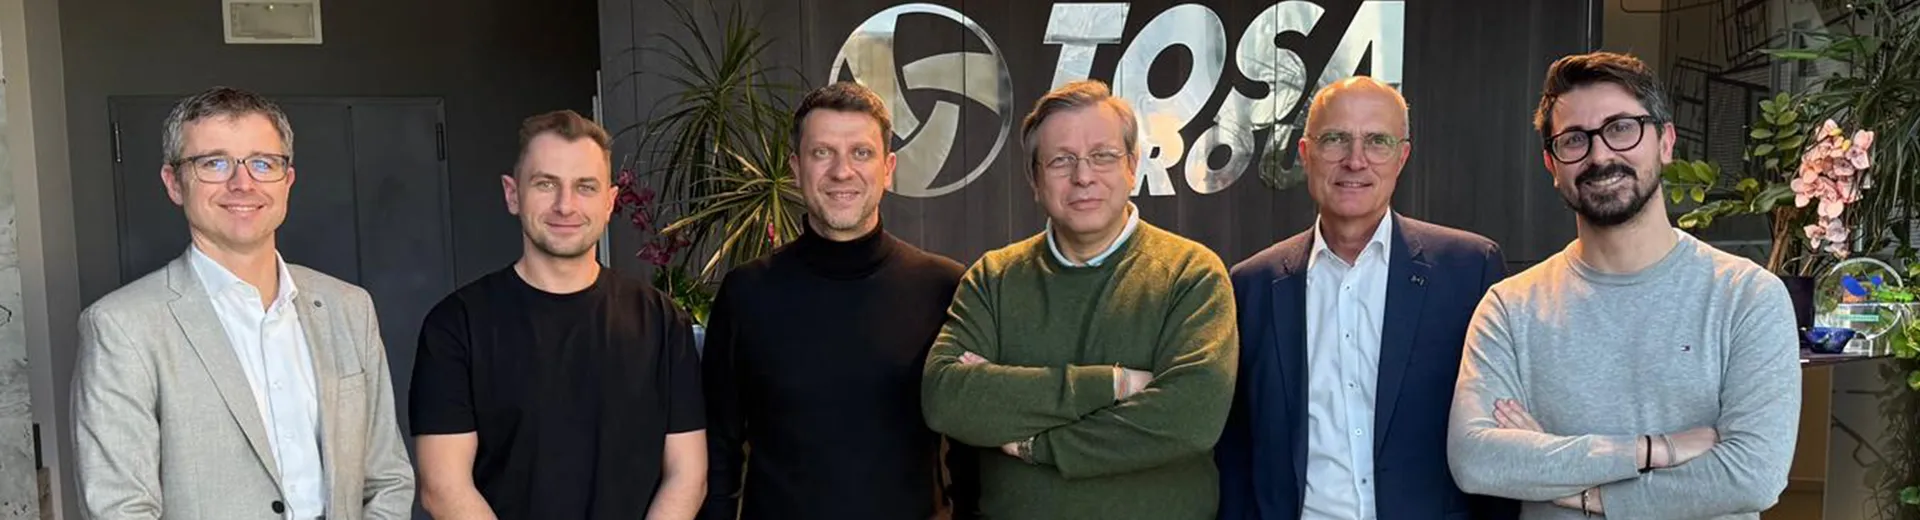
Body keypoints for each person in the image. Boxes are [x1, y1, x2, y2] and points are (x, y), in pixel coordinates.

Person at [1446, 51, 1800, 518]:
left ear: (1666, 142)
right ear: (1551, 165)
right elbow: (1477, 460)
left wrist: (1583, 492)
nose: (1600, 155)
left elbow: (1751, 475)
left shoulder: (1748, 297)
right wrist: (1653, 449)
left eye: (1621, 128)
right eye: (1574, 140)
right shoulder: (1510, 307)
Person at [71, 86, 415, 519]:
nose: (242, 183)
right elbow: (119, 508)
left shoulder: (349, 308)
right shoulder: (121, 326)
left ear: (287, 181)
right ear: (174, 183)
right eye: (213, 163)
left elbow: (387, 479)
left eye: (263, 163)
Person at [920, 79, 1238, 520]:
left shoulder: (1191, 273)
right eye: (1061, 160)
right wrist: (1115, 384)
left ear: (1132, 166)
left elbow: (1191, 417)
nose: (1083, 176)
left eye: (1102, 156)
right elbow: (948, 399)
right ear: (1034, 179)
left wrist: (1037, 445)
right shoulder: (994, 278)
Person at [1216, 76, 1518, 520]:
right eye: (1335, 139)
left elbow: (1496, 436)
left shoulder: (1468, 269)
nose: (1355, 161)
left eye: (1377, 141)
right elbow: (1237, 448)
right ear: (1306, 154)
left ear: (1402, 157)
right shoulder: (1252, 285)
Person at [698, 81, 977, 520]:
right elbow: (718, 449)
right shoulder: (746, 294)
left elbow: (970, 455)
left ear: (888, 168)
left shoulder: (944, 287)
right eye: (822, 152)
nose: (842, 171)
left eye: (861, 153)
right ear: (796, 168)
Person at [410, 110, 707, 519]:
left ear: (609, 202)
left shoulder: (662, 322)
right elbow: (443, 488)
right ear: (512, 194)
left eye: (585, 186)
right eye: (546, 184)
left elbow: (688, 475)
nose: (565, 205)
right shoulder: (456, 325)